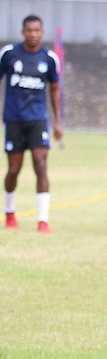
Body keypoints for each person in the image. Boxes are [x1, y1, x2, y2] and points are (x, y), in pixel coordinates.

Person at [1, 14, 62, 233]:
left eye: (37, 30)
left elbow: (55, 90)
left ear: (42, 32)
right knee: (14, 168)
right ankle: (9, 212)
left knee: (41, 164)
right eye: (29, 30)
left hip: (38, 119)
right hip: (14, 119)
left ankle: (43, 219)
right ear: (23, 32)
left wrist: (58, 122)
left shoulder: (49, 58)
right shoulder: (9, 54)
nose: (33, 34)